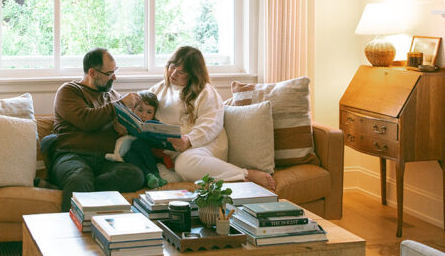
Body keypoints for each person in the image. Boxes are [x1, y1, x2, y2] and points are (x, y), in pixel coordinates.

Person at [146, 45, 276, 191]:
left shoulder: (205, 92)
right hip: (173, 151)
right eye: (172, 66)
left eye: (181, 71)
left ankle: (246, 174)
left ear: (192, 75)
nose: (174, 73)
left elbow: (211, 125)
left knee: (184, 164)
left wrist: (189, 140)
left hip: (205, 146)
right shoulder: (157, 89)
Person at [50, 48, 145, 211]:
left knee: (135, 175)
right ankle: (73, 231)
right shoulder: (69, 91)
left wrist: (124, 127)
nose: (114, 77)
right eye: (109, 73)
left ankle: (86, 187)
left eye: (115, 71)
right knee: (79, 179)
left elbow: (114, 120)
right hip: (72, 155)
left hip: (105, 160)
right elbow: (86, 120)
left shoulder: (112, 95)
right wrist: (120, 106)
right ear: (92, 72)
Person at [105, 90, 169, 189]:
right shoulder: (126, 122)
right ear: (133, 109)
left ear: (153, 114)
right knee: (129, 155)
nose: (144, 115)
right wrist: (120, 129)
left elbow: (159, 146)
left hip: (148, 156)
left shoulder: (154, 125)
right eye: (140, 110)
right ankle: (149, 176)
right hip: (132, 157)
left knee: (139, 143)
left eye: (149, 112)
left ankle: (156, 174)